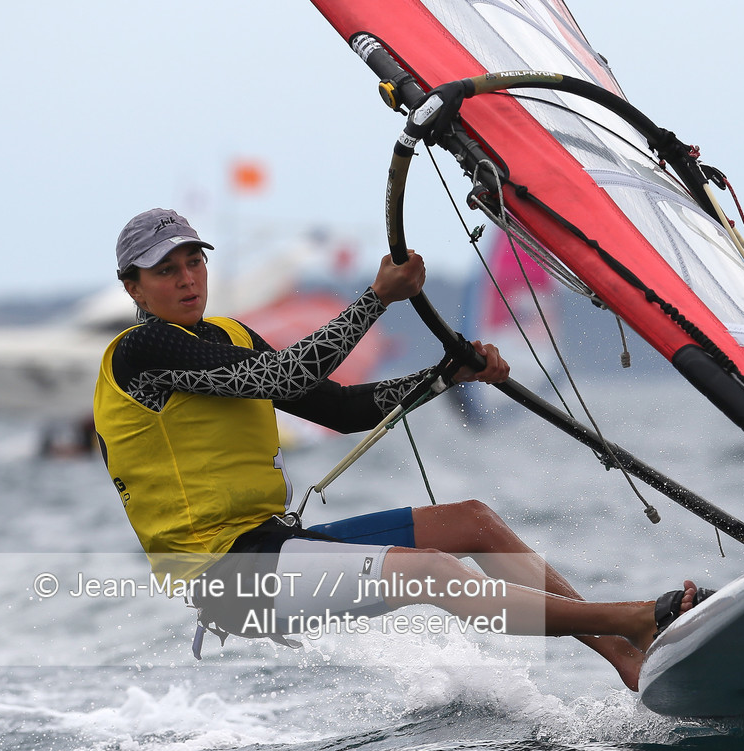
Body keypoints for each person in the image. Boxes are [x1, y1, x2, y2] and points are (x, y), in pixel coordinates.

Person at [92, 209, 706, 690]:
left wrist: (443, 377)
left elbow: (338, 408)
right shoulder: (142, 352)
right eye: (165, 270)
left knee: (471, 523)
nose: (186, 278)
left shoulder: (228, 335)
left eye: (193, 261)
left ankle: (624, 655)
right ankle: (625, 618)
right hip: (225, 580)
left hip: (272, 543)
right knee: (434, 571)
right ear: (134, 288)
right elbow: (286, 380)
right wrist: (377, 298)